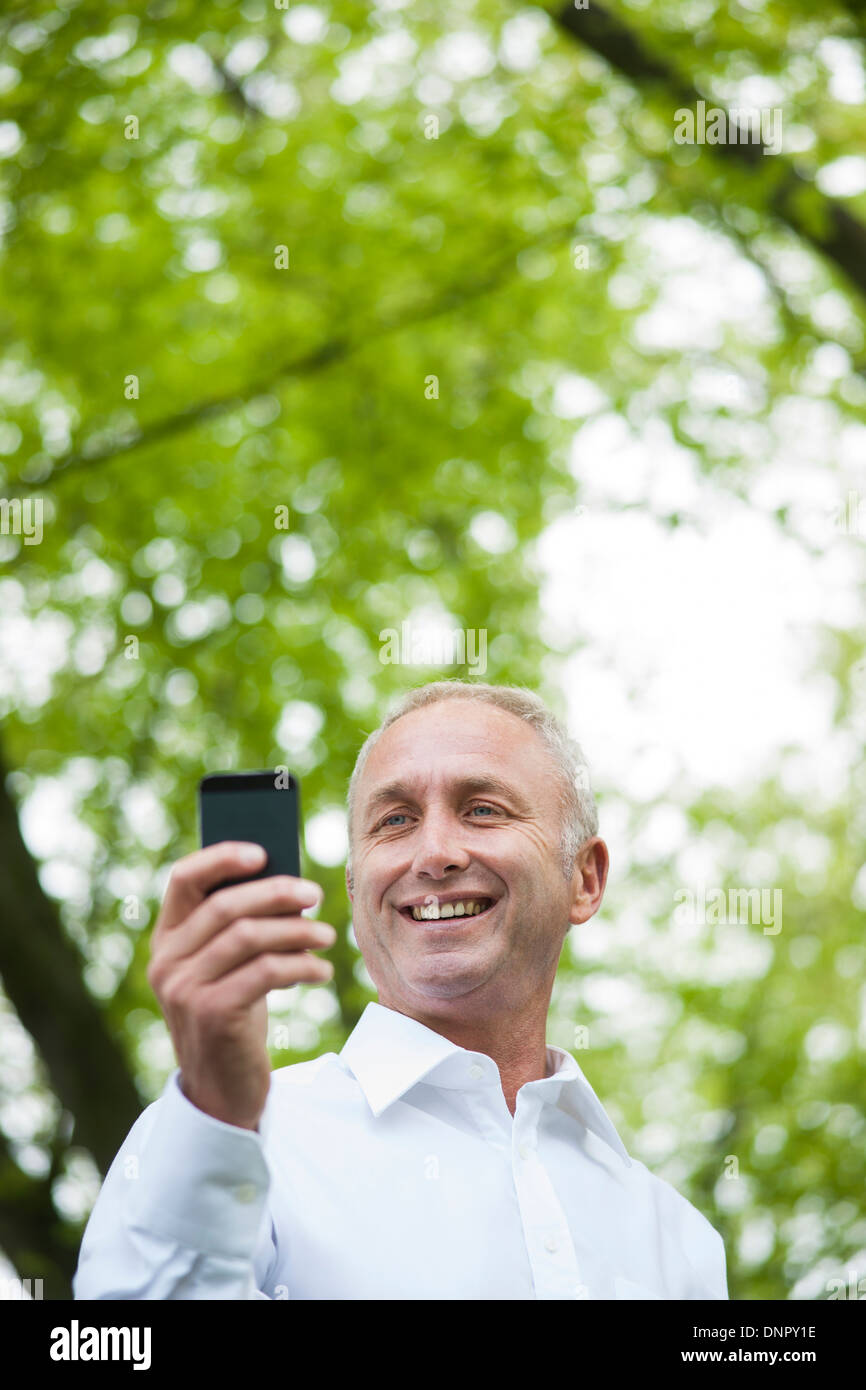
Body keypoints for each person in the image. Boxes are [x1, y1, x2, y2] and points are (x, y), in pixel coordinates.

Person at [73, 680, 728, 1300]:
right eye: (394, 821)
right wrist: (216, 1110)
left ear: (585, 878)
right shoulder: (222, 1142)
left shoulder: (679, 1240)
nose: (434, 852)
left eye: (482, 809)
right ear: (357, 890)